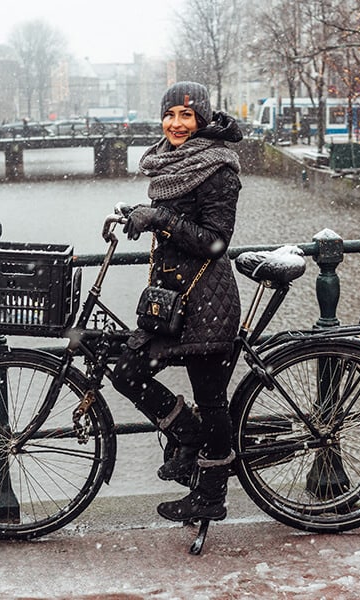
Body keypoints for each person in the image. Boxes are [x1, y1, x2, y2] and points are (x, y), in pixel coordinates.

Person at [112, 81, 243, 523]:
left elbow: (215, 243)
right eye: (170, 114)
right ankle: (186, 436)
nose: (176, 124)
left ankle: (210, 496)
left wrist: (160, 219)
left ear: (202, 119)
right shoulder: (170, 163)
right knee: (128, 371)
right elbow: (175, 220)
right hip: (172, 299)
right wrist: (141, 214)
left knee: (211, 399)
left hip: (206, 301)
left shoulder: (218, 168)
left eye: (186, 115)